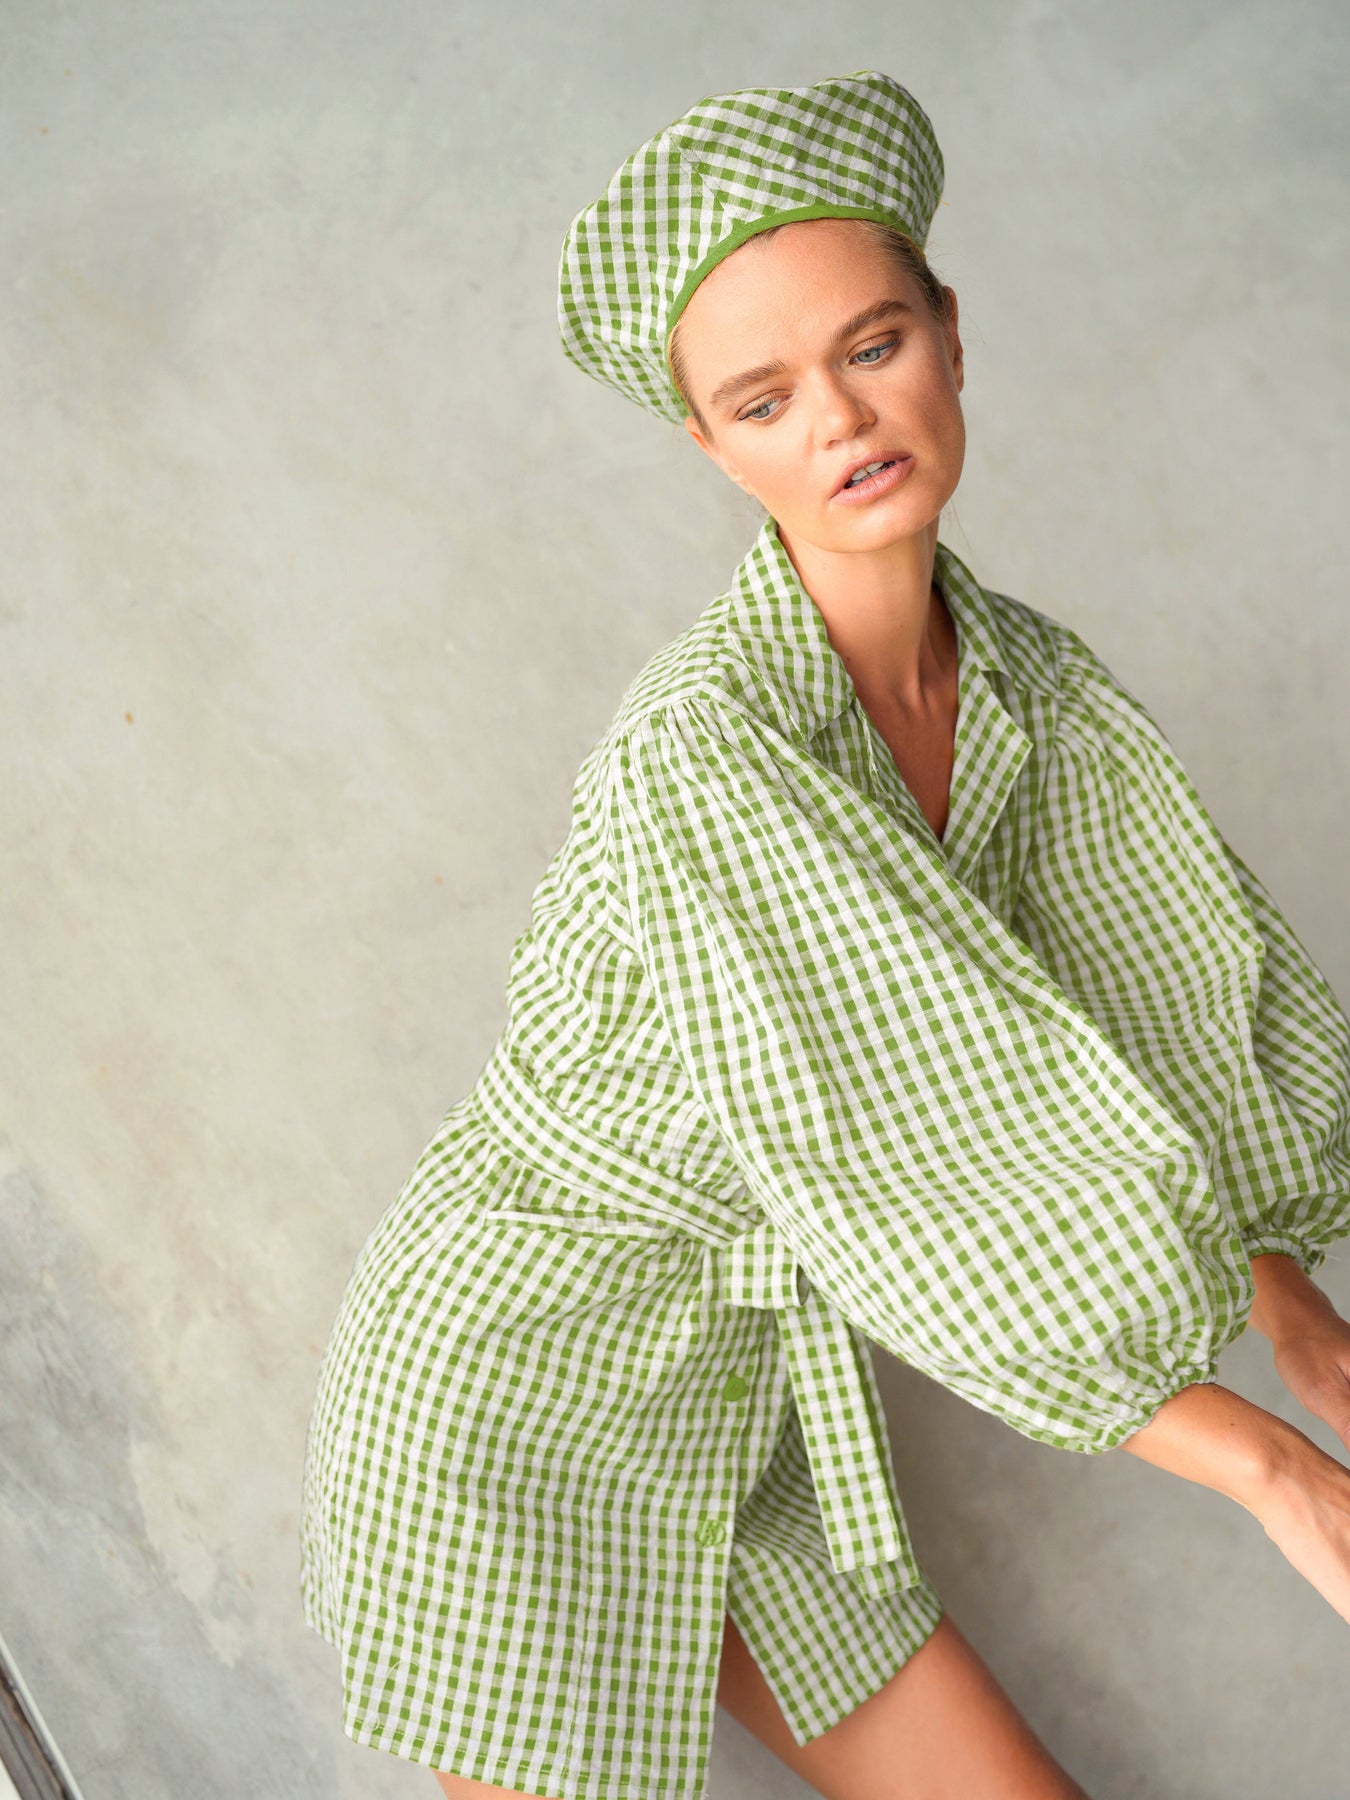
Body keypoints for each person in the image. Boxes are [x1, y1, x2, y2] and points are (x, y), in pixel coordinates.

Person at [299, 70, 1350, 1800]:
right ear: (709, 448)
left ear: (950, 335)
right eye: (764, 398)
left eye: (873, 344)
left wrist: (1300, 1325)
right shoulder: (708, 750)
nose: (842, 419)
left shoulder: (1027, 681)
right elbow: (911, 1152)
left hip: (751, 1381)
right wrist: (1265, 1465)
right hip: (509, 1391)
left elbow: (1142, 1013)